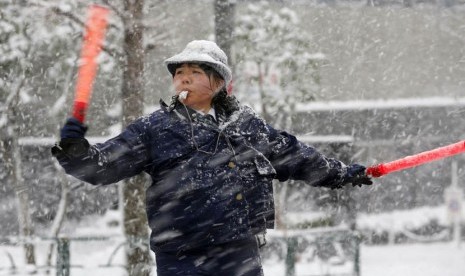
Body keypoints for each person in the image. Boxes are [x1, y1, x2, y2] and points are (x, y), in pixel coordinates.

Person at [52, 40, 372, 276]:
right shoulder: (155, 129)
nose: (185, 77)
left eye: (195, 71)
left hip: (239, 253)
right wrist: (76, 151)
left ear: (219, 83)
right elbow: (101, 167)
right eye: (179, 72)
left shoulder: (247, 126)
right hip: (180, 255)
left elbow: (294, 155)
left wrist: (341, 173)